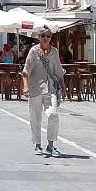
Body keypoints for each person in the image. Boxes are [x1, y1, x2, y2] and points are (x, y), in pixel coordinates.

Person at [22, 27, 65, 157]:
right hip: (36, 87)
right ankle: (37, 144)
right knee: (35, 118)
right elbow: (26, 71)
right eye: (43, 36)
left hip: (51, 88)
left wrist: (63, 87)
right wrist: (25, 87)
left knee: (53, 115)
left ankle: (50, 145)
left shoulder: (54, 52)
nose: (46, 38)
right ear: (39, 37)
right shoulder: (34, 51)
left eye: (48, 36)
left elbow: (58, 70)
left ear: (51, 37)